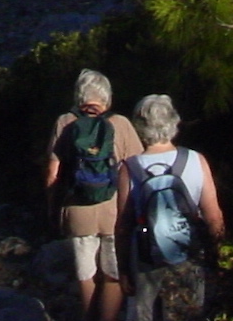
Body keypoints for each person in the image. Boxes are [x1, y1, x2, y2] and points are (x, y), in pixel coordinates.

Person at [115, 94, 225, 321]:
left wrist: (124, 270)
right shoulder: (196, 160)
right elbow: (214, 216)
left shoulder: (130, 168)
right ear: (174, 122)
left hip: (146, 260)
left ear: (139, 126)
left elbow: (124, 226)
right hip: (188, 256)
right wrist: (215, 258)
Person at [45, 70, 144, 321]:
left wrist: (52, 208)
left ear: (79, 95)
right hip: (115, 210)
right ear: (107, 97)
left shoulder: (64, 122)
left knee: (86, 274)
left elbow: (52, 173)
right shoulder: (120, 124)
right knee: (113, 273)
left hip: (78, 208)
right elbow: (138, 169)